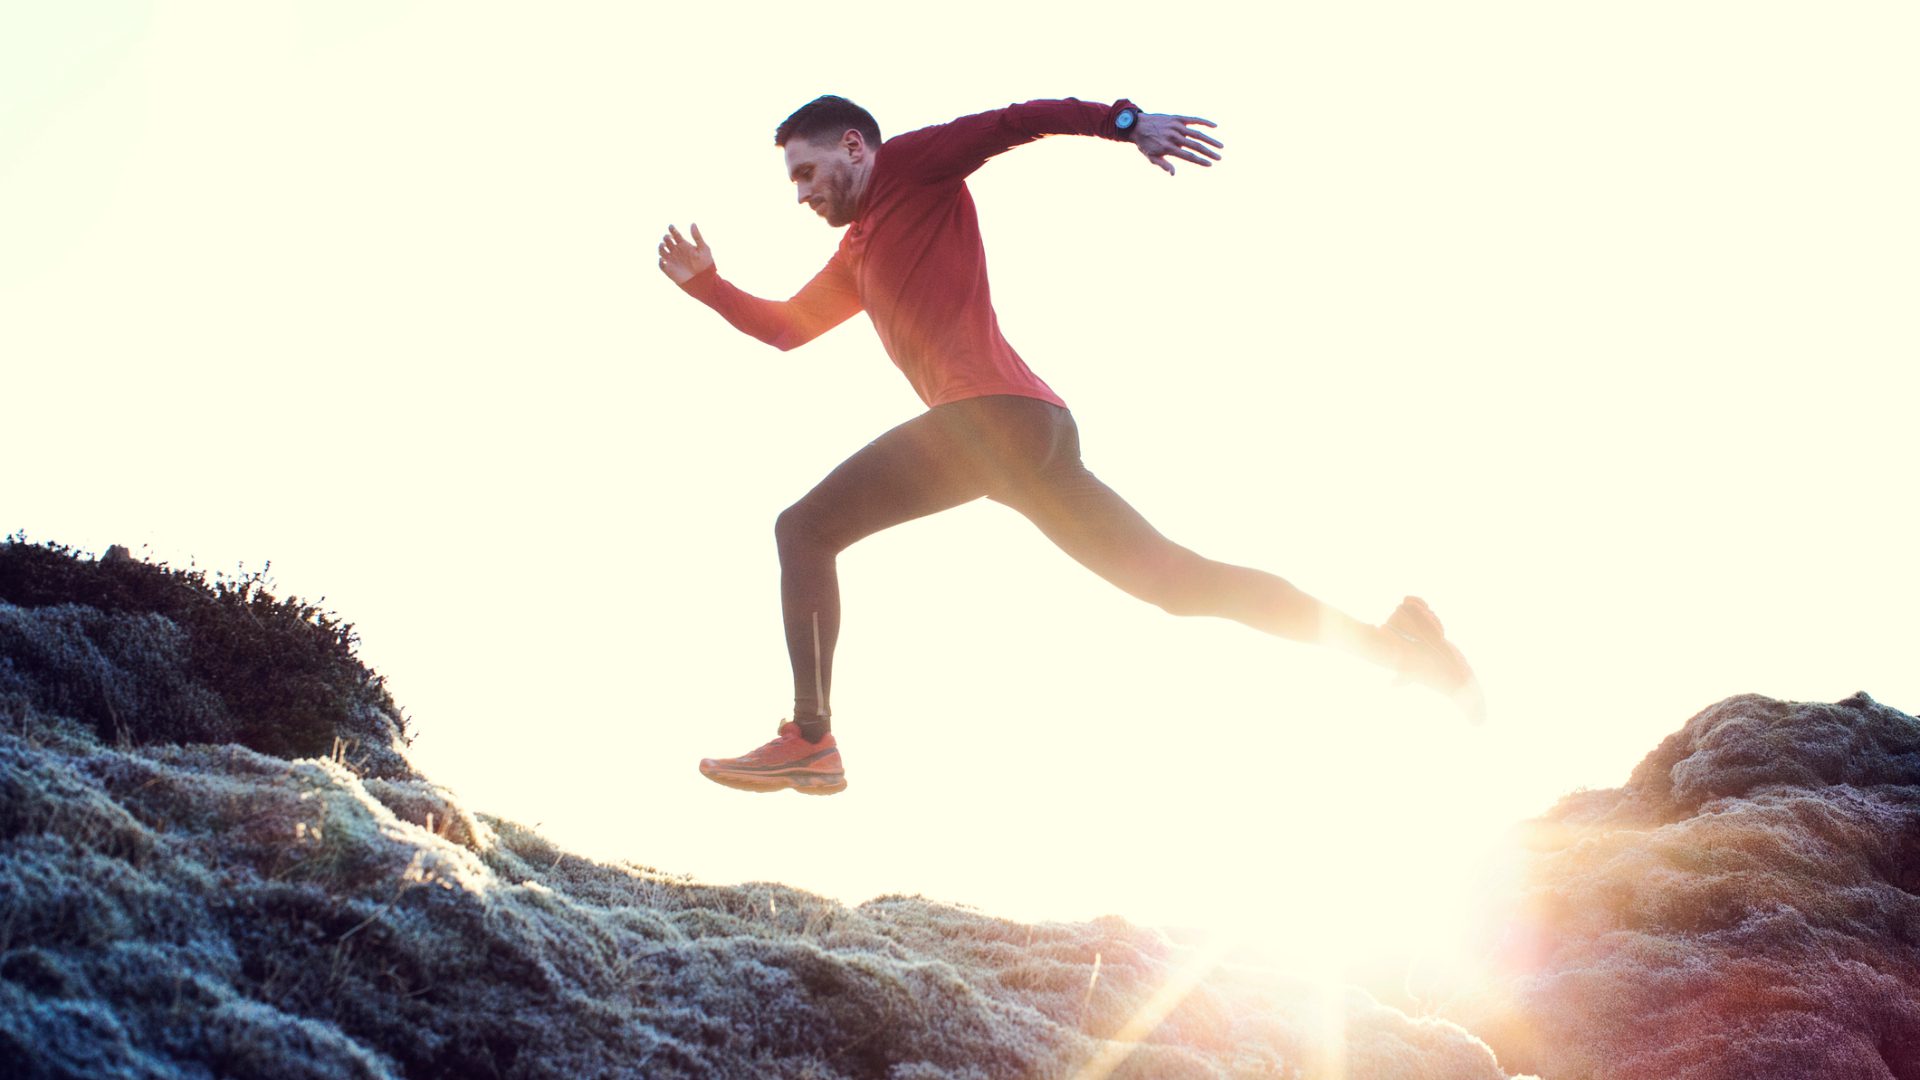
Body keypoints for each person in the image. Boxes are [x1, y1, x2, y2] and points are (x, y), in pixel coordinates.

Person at [658, 95, 1481, 796]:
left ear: (852, 147)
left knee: (804, 530)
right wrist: (708, 286)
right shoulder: (857, 252)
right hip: (1029, 435)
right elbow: (788, 329)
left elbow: (1018, 121)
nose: (800, 193)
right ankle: (1402, 646)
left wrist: (1127, 123)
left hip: (994, 421)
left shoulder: (911, 166)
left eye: (806, 173)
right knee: (1182, 585)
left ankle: (812, 739)